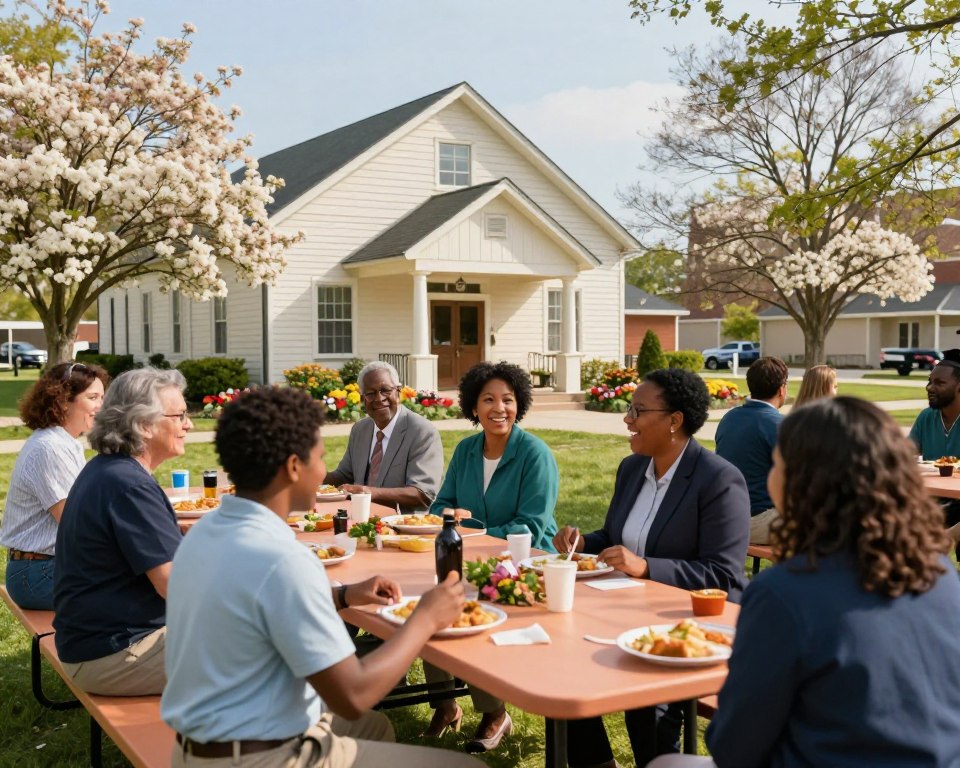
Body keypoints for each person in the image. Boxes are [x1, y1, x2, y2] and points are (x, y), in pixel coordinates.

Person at [162, 386, 483, 768]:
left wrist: (345, 595)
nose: (324, 473)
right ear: (295, 467)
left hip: (192, 750)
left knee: (374, 728)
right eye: (319, 458)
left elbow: (254, 604)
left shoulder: (205, 531)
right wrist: (425, 617)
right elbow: (353, 694)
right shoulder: (284, 561)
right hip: (264, 758)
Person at [651, 398, 960, 768]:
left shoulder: (783, 593)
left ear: (802, 483)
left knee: (665, 764)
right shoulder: (940, 573)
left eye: (776, 464)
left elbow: (734, 748)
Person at [554, 368, 750, 768]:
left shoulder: (718, 480)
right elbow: (614, 534)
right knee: (563, 672)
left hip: (684, 625)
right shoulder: (632, 469)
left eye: (637, 410)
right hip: (621, 612)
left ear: (674, 420)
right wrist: (582, 542)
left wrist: (645, 567)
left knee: (646, 702)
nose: (628, 419)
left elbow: (724, 576)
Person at [425, 360, 560, 753]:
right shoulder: (467, 450)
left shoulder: (535, 454)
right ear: (474, 407)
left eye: (508, 399)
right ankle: (445, 704)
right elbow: (440, 507)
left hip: (525, 567)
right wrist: (452, 518)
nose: (499, 408)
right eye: (488, 400)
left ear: (520, 405)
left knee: (474, 620)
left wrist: (469, 528)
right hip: (470, 560)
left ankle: (493, 713)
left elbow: (529, 527)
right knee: (429, 606)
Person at [53, 368, 190, 696]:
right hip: (115, 653)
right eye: (180, 416)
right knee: (281, 646)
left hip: (101, 644)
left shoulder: (110, 469)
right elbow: (176, 586)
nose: (189, 425)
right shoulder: (128, 484)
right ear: (144, 424)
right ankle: (315, 743)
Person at [1, 361, 108, 609]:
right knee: (136, 588)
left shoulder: (66, 443)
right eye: (93, 397)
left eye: (102, 397)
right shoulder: (50, 448)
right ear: (62, 400)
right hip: (35, 574)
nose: (101, 406)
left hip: (47, 566)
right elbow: (78, 524)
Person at [324, 361, 443, 513]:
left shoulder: (421, 431)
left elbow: (423, 493)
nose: (379, 398)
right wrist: (311, 475)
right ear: (362, 399)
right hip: (360, 520)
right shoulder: (360, 430)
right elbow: (344, 475)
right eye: (370, 393)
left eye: (385, 390)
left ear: (398, 392)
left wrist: (368, 493)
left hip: (404, 527)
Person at [715, 356, 788, 545]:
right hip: (760, 520)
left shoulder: (729, 418)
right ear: (782, 389)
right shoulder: (778, 425)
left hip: (725, 518)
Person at [909, 353, 960, 460]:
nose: (929, 388)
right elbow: (905, 452)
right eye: (930, 382)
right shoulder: (927, 416)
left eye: (939, 383)